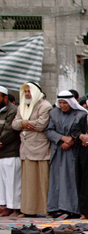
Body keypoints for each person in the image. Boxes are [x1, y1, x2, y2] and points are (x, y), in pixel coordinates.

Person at [11, 82, 52, 216]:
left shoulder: (44, 105)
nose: (27, 94)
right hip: (26, 149)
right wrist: (24, 124)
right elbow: (15, 124)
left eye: (29, 91)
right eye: (26, 92)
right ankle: (28, 210)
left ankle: (43, 209)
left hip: (40, 149)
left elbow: (41, 125)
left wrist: (23, 123)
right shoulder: (22, 106)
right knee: (28, 183)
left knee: (42, 182)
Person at [45, 91, 86, 218]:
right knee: (56, 179)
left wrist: (72, 141)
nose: (63, 105)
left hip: (73, 151)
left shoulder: (81, 114)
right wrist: (62, 138)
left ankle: (70, 208)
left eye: (65, 103)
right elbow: (49, 130)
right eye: (60, 103)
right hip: (58, 150)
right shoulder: (53, 113)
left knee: (70, 179)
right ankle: (54, 207)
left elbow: (83, 131)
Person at [0, 85, 21, 217]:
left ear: (5, 97)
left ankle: (15, 208)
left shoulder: (12, 110)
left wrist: (1, 141)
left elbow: (9, 130)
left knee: (13, 182)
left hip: (10, 152)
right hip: (1, 154)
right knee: (3, 183)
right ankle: (6, 206)